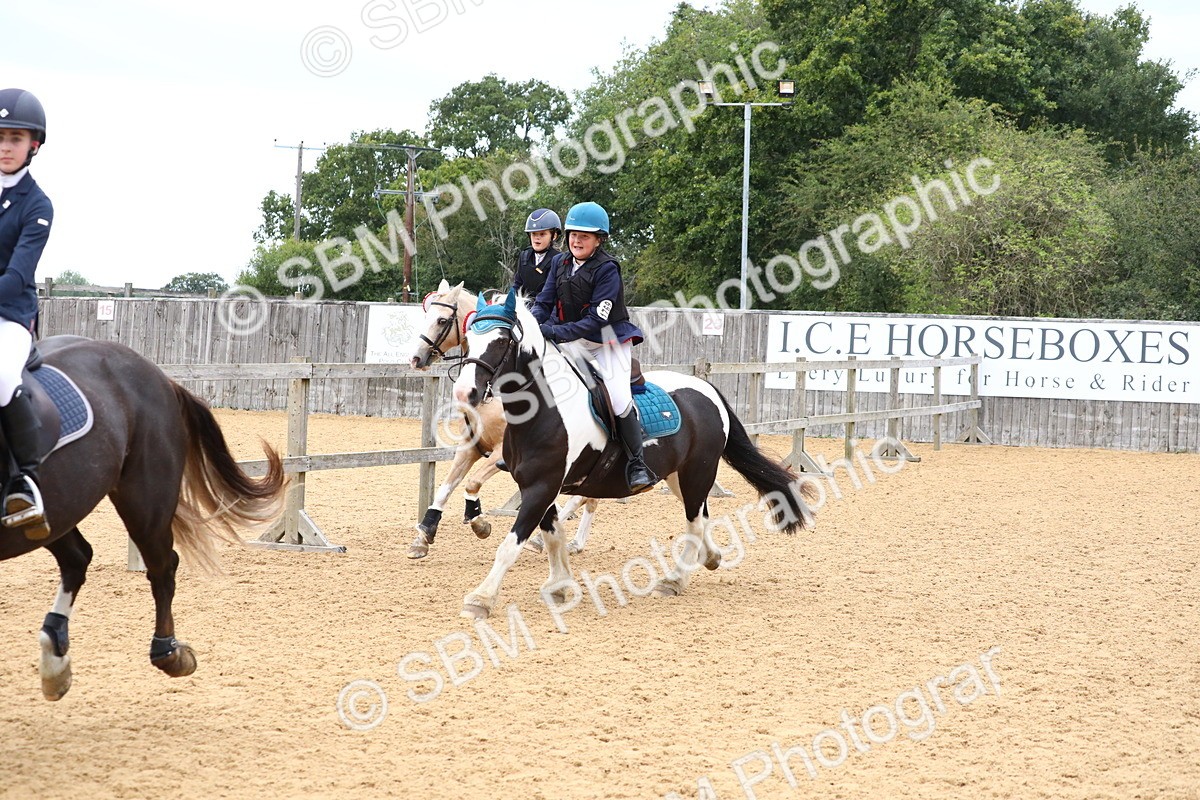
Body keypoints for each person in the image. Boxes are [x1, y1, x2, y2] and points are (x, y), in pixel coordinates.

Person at [530, 201, 656, 493]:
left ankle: (637, 464)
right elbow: (544, 302)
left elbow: (594, 321)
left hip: (608, 341)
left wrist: (554, 331)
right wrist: (534, 325)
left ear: (599, 240)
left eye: (585, 236)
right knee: (545, 382)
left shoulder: (608, 269)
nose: (577, 240)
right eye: (574, 234)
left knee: (619, 397)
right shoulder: (559, 263)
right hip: (573, 339)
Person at [0, 88, 53, 535]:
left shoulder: (37, 206)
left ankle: (25, 481)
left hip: (9, 316)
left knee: (0, 377)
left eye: (15, 137)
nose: (4, 145)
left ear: (33, 144)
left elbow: (17, 277)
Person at [513, 208, 561, 298]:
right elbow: (517, 285)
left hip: (546, 309)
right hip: (523, 307)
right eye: (534, 234)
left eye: (542, 234)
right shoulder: (524, 256)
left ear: (554, 236)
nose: (537, 238)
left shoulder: (559, 260)